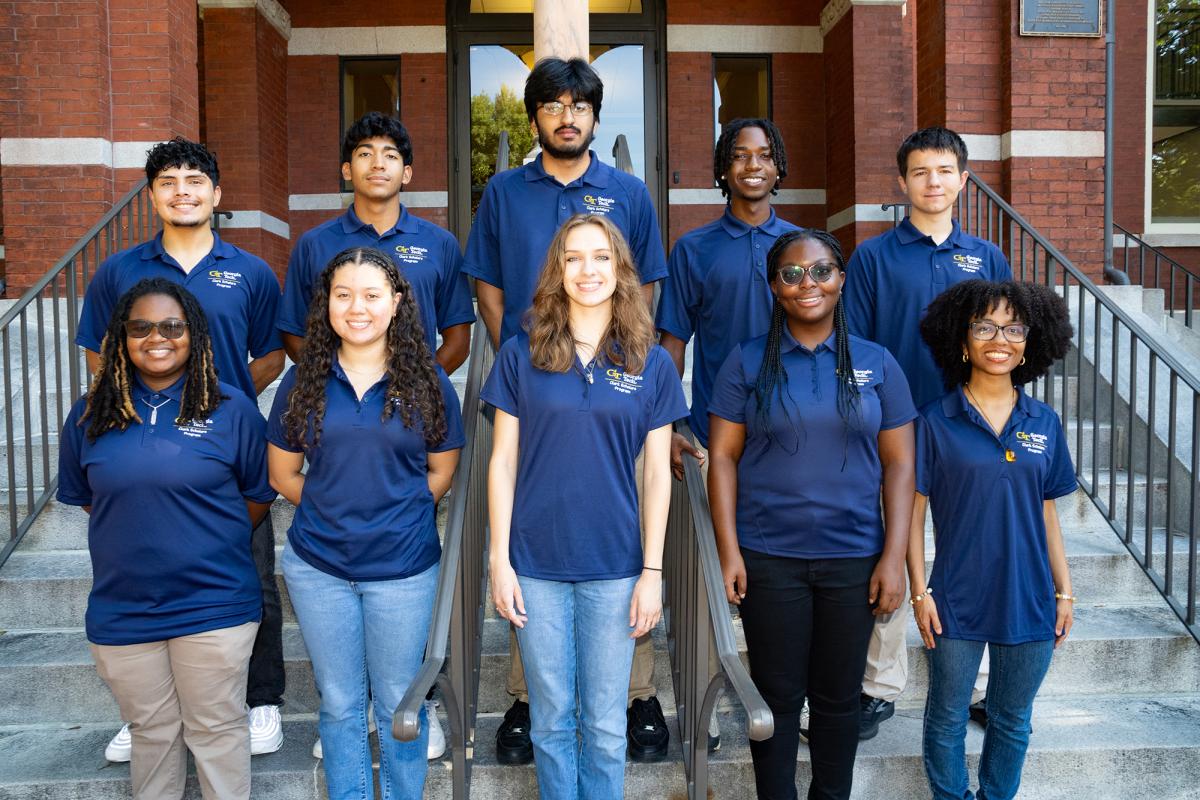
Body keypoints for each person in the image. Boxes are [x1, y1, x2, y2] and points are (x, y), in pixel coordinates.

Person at [463, 55, 671, 764]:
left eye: (579, 105)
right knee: (535, 541)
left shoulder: (629, 193)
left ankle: (636, 694)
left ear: (594, 117)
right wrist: (531, 363)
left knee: (618, 547)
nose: (567, 115)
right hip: (539, 383)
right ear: (535, 118)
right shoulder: (502, 192)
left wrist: (625, 352)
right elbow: (488, 288)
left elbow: (648, 285)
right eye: (552, 104)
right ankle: (525, 702)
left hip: (615, 417)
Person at [75, 138, 287, 759]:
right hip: (140, 446)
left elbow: (272, 353)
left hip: (226, 450)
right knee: (134, 566)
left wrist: (221, 405)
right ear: (152, 196)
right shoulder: (120, 271)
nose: (183, 191)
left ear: (217, 195)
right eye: (168, 181)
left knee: (252, 571)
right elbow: (100, 350)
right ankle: (146, 713)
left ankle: (260, 699)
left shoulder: (248, 270)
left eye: (195, 180)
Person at [707, 229, 916, 799]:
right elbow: (722, 459)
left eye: (821, 271)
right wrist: (729, 551)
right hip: (769, 557)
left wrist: (893, 557)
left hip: (854, 558)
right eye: (792, 274)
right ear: (774, 287)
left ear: (841, 279)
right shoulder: (747, 361)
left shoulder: (877, 363)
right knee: (775, 698)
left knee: (839, 697)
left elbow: (900, 466)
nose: (808, 284)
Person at [483, 214, 685, 798]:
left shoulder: (650, 361)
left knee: (602, 724)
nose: (587, 270)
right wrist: (500, 560)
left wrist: (652, 571)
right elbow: (502, 462)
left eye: (601, 257)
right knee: (549, 722)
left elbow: (656, 475)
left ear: (621, 270)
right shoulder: (522, 354)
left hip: (617, 566)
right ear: (557, 270)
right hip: (536, 565)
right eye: (573, 258)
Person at [58, 278, 276, 799]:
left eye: (172, 326)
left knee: (217, 731)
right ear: (121, 337)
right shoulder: (89, 416)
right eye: (141, 327)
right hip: (124, 608)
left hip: (214, 604)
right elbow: (95, 499)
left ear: (194, 335)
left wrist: (205, 536)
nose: (157, 337)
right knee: (150, 737)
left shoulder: (232, 409)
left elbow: (256, 495)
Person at [267, 247, 463, 800]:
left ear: (397, 303)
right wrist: (334, 503)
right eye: (344, 294)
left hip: (403, 570)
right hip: (320, 567)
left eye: (373, 295)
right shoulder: (304, 378)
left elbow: (442, 470)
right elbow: (282, 473)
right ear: (326, 303)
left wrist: (390, 510)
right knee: (340, 702)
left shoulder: (427, 380)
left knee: (402, 700)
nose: (358, 307)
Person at [841, 127, 1010, 739]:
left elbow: (1006, 339)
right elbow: (854, 345)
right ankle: (879, 686)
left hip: (970, 427)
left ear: (963, 181)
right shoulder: (874, 257)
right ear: (903, 182)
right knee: (891, 547)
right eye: (920, 172)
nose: (932, 182)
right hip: (898, 428)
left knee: (979, 550)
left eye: (944, 171)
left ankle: (984, 683)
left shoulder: (987, 257)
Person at [910, 280, 1075, 800]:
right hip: (955, 597)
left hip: (1029, 597)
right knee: (947, 716)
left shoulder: (1044, 423)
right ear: (963, 342)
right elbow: (912, 517)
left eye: (1013, 328)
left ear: (1029, 342)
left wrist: (1064, 590)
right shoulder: (936, 421)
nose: (999, 338)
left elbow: (1048, 515)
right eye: (984, 327)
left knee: (1011, 719)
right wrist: (920, 592)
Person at [278, 111, 474, 378]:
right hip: (335, 408)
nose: (378, 164)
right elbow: (292, 332)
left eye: (391, 155)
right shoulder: (314, 244)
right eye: (365, 154)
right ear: (347, 170)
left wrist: (420, 385)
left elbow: (459, 340)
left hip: (415, 407)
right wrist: (333, 384)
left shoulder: (440, 244)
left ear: (406, 173)